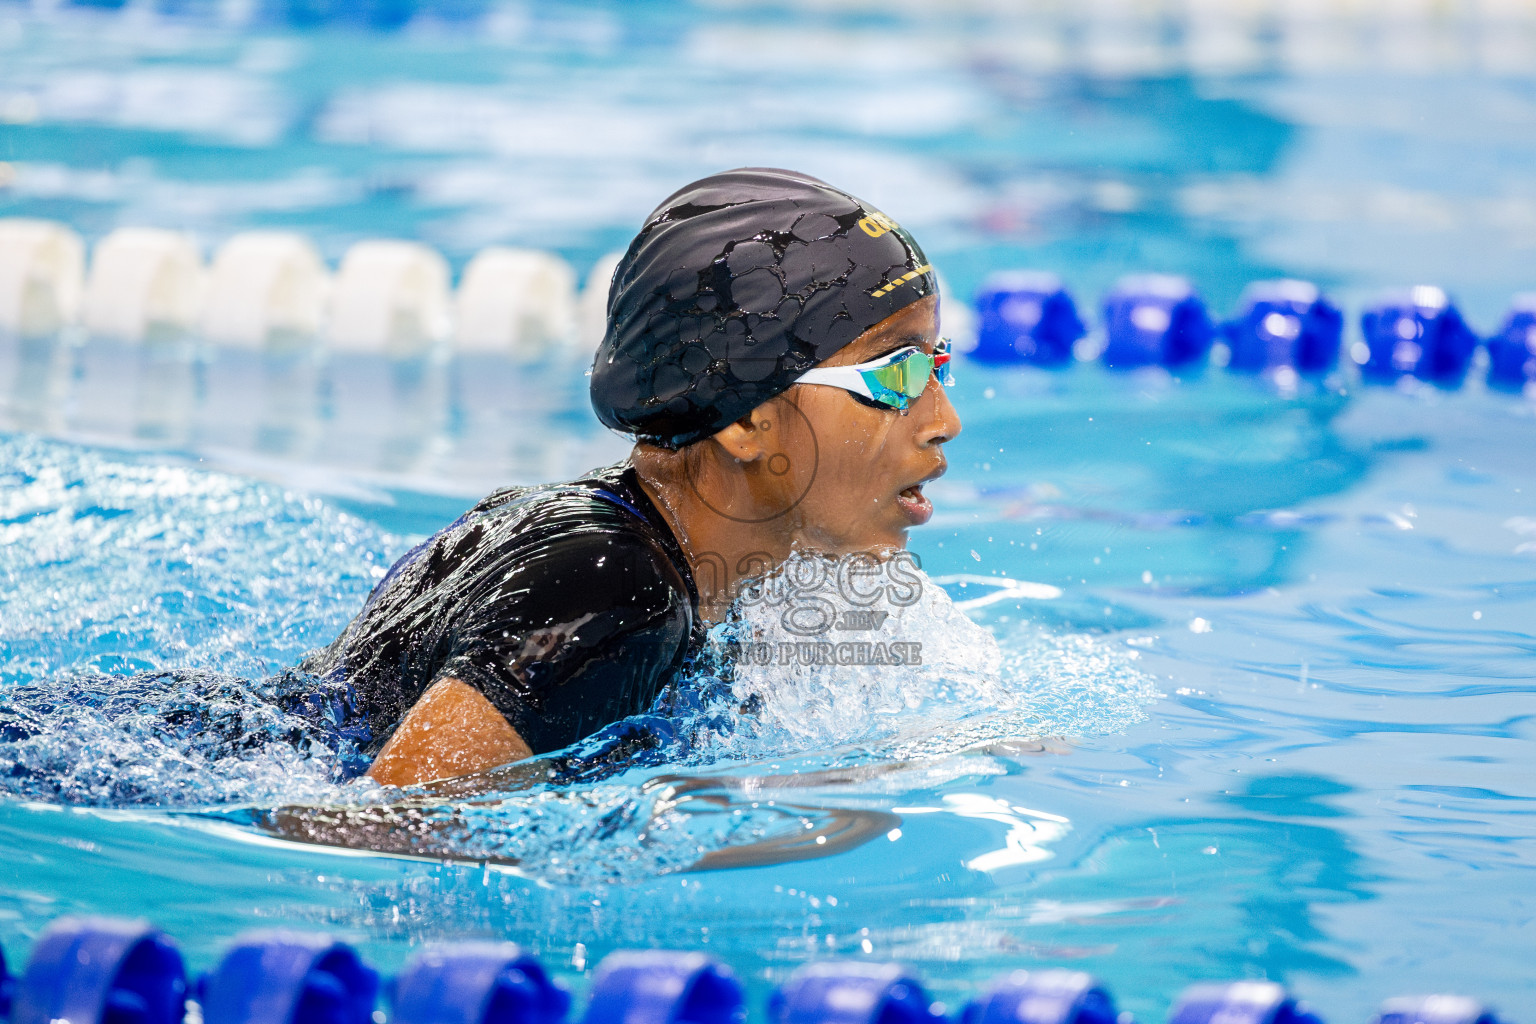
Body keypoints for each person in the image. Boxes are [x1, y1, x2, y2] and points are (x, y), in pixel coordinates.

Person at [305, 167, 963, 788]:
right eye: (897, 375)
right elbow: (371, 828)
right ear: (746, 421)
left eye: (938, 365)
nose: (944, 419)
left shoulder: (706, 565)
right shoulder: (614, 593)